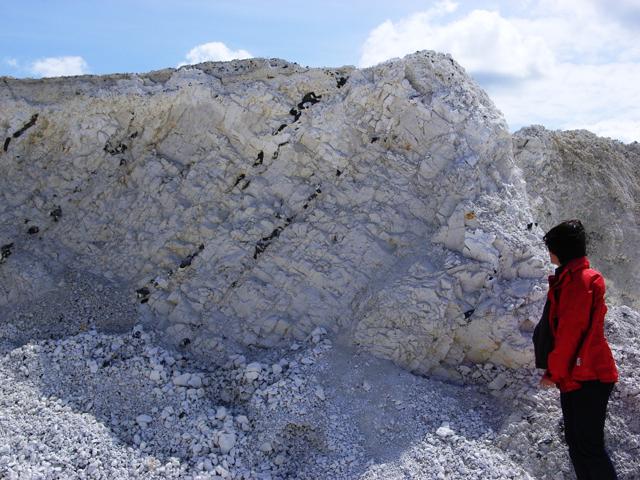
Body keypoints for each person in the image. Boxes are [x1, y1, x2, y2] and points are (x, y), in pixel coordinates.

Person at [538, 219, 619, 480]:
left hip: (589, 373)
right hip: (579, 374)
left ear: (561, 248)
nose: (549, 253)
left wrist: (553, 371)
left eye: (550, 247)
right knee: (577, 443)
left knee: (588, 447)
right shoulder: (570, 278)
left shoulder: (579, 282)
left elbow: (570, 333)